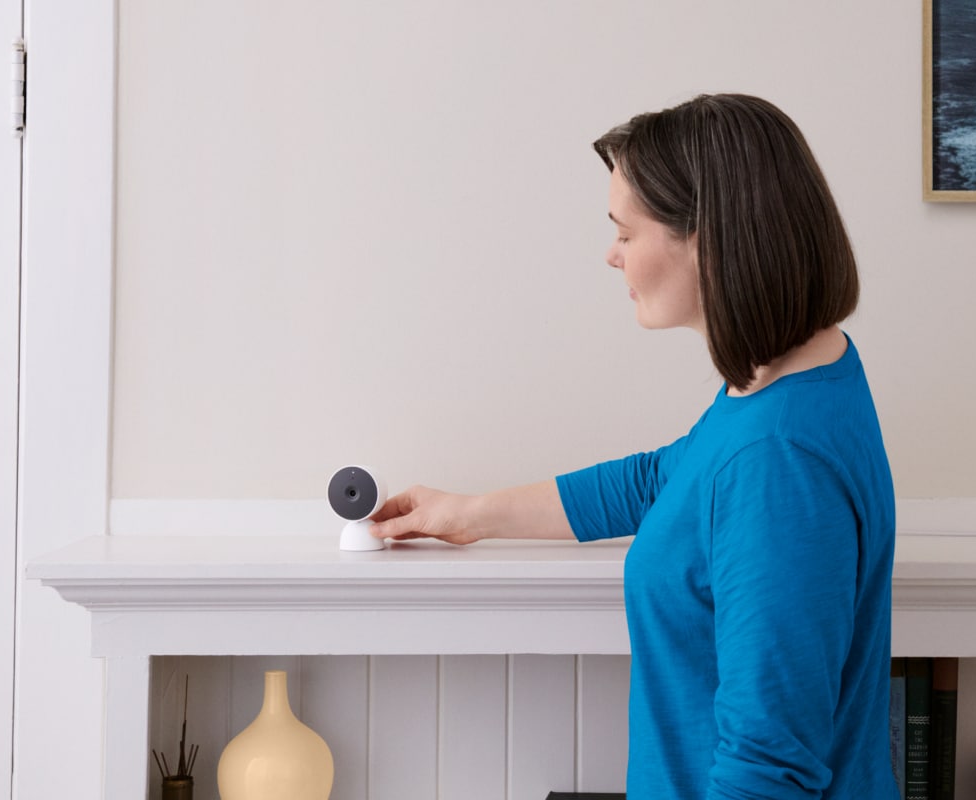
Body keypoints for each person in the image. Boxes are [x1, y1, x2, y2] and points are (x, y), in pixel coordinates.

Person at [370, 93, 897, 800]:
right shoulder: (794, 386)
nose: (611, 255)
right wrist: (467, 514)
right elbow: (662, 482)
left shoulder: (776, 462)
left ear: (706, 238)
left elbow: (768, 769)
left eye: (626, 230)